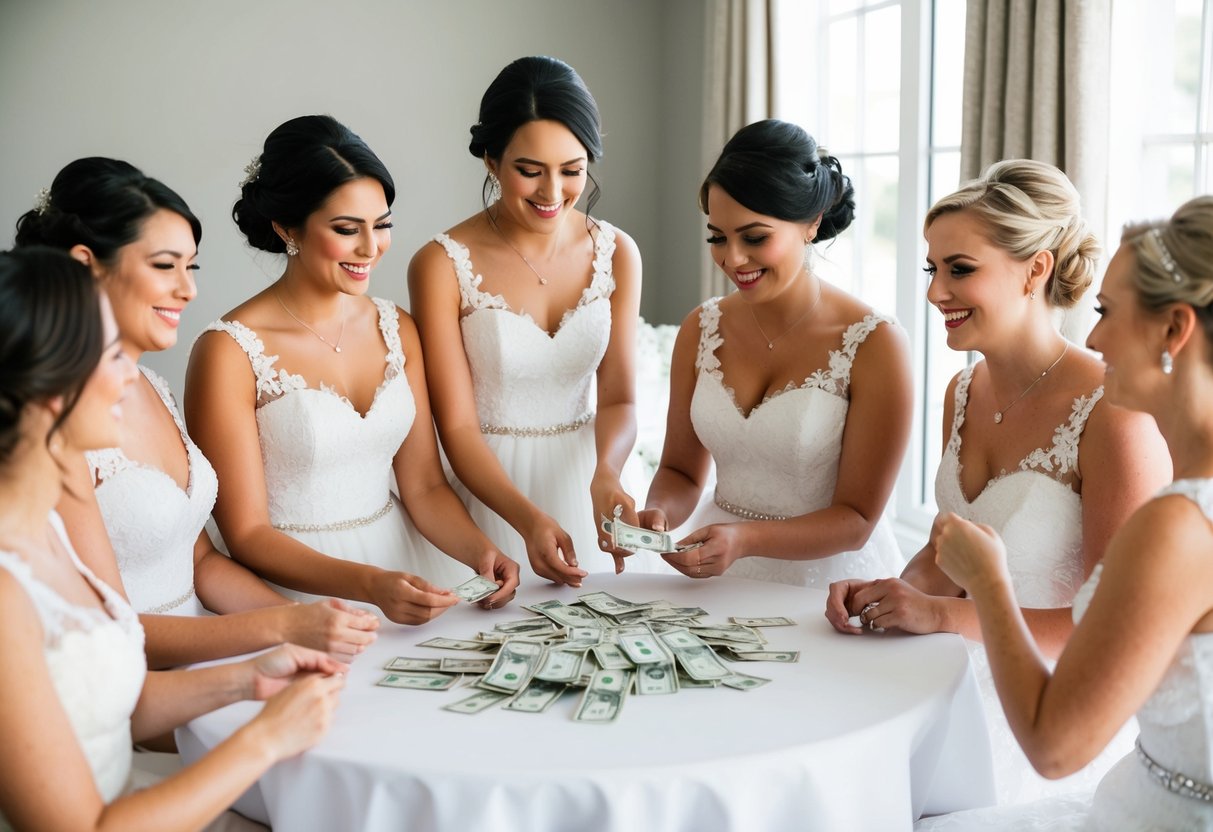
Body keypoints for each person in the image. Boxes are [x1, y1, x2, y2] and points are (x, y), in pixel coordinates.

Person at [825, 159, 1171, 806]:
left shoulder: (1112, 413)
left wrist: (938, 613)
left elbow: (1106, 630)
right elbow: (944, 551)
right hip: (941, 689)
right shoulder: (961, 390)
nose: (934, 292)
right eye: (932, 269)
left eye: (960, 269)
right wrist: (887, 595)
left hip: (1040, 723)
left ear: (1034, 270)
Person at [0, 247, 345, 832]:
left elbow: (120, 703)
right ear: (50, 389)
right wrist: (264, 739)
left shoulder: (50, 527)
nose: (130, 375)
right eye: (111, 355)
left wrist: (252, 676)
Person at [14, 157, 379, 669]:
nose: (189, 289)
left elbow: (200, 560)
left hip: (212, 655)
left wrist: (313, 626)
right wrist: (280, 629)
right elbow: (112, 626)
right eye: (165, 266)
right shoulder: (50, 418)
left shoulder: (152, 387)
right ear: (85, 264)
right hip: (132, 685)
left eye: (192, 267)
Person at [921, 194, 1213, 830]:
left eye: (1108, 312)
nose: (1094, 334)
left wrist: (989, 583)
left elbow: (1055, 748)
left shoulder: (1182, 523)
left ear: (1175, 330)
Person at [186, 115, 519, 625]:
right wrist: (368, 584)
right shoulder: (228, 353)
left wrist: (480, 551)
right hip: (296, 588)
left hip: (405, 562)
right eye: (346, 229)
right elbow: (246, 534)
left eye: (381, 225)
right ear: (286, 228)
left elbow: (425, 485)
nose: (371, 248)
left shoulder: (397, 327)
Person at [639, 119, 911, 587]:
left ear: (811, 224)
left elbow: (857, 519)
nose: (733, 259)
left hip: (823, 584)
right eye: (717, 237)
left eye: (755, 237)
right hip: (714, 573)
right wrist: (658, 515)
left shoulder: (875, 343)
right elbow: (680, 470)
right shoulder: (701, 329)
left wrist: (744, 540)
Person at [408, 56, 644, 584]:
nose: (552, 192)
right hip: (486, 489)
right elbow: (456, 425)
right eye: (529, 171)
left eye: (572, 171)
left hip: (587, 482)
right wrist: (525, 519)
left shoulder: (618, 253)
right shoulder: (441, 263)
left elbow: (620, 397)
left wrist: (607, 472)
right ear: (491, 161)